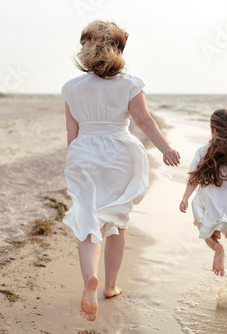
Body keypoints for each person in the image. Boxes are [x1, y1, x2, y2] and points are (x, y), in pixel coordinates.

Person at [62, 20, 180, 322]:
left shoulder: (71, 88)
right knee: (117, 221)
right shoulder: (130, 83)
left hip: (84, 151)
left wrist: (76, 165)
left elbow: (71, 135)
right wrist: (166, 149)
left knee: (87, 218)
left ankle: (91, 277)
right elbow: (144, 121)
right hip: (120, 153)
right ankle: (111, 286)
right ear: (120, 48)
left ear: (85, 46)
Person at [179, 108, 227, 311]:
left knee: (207, 230)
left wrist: (185, 198)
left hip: (213, 209)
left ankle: (217, 247)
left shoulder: (202, 151)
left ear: (212, 129)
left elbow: (193, 179)